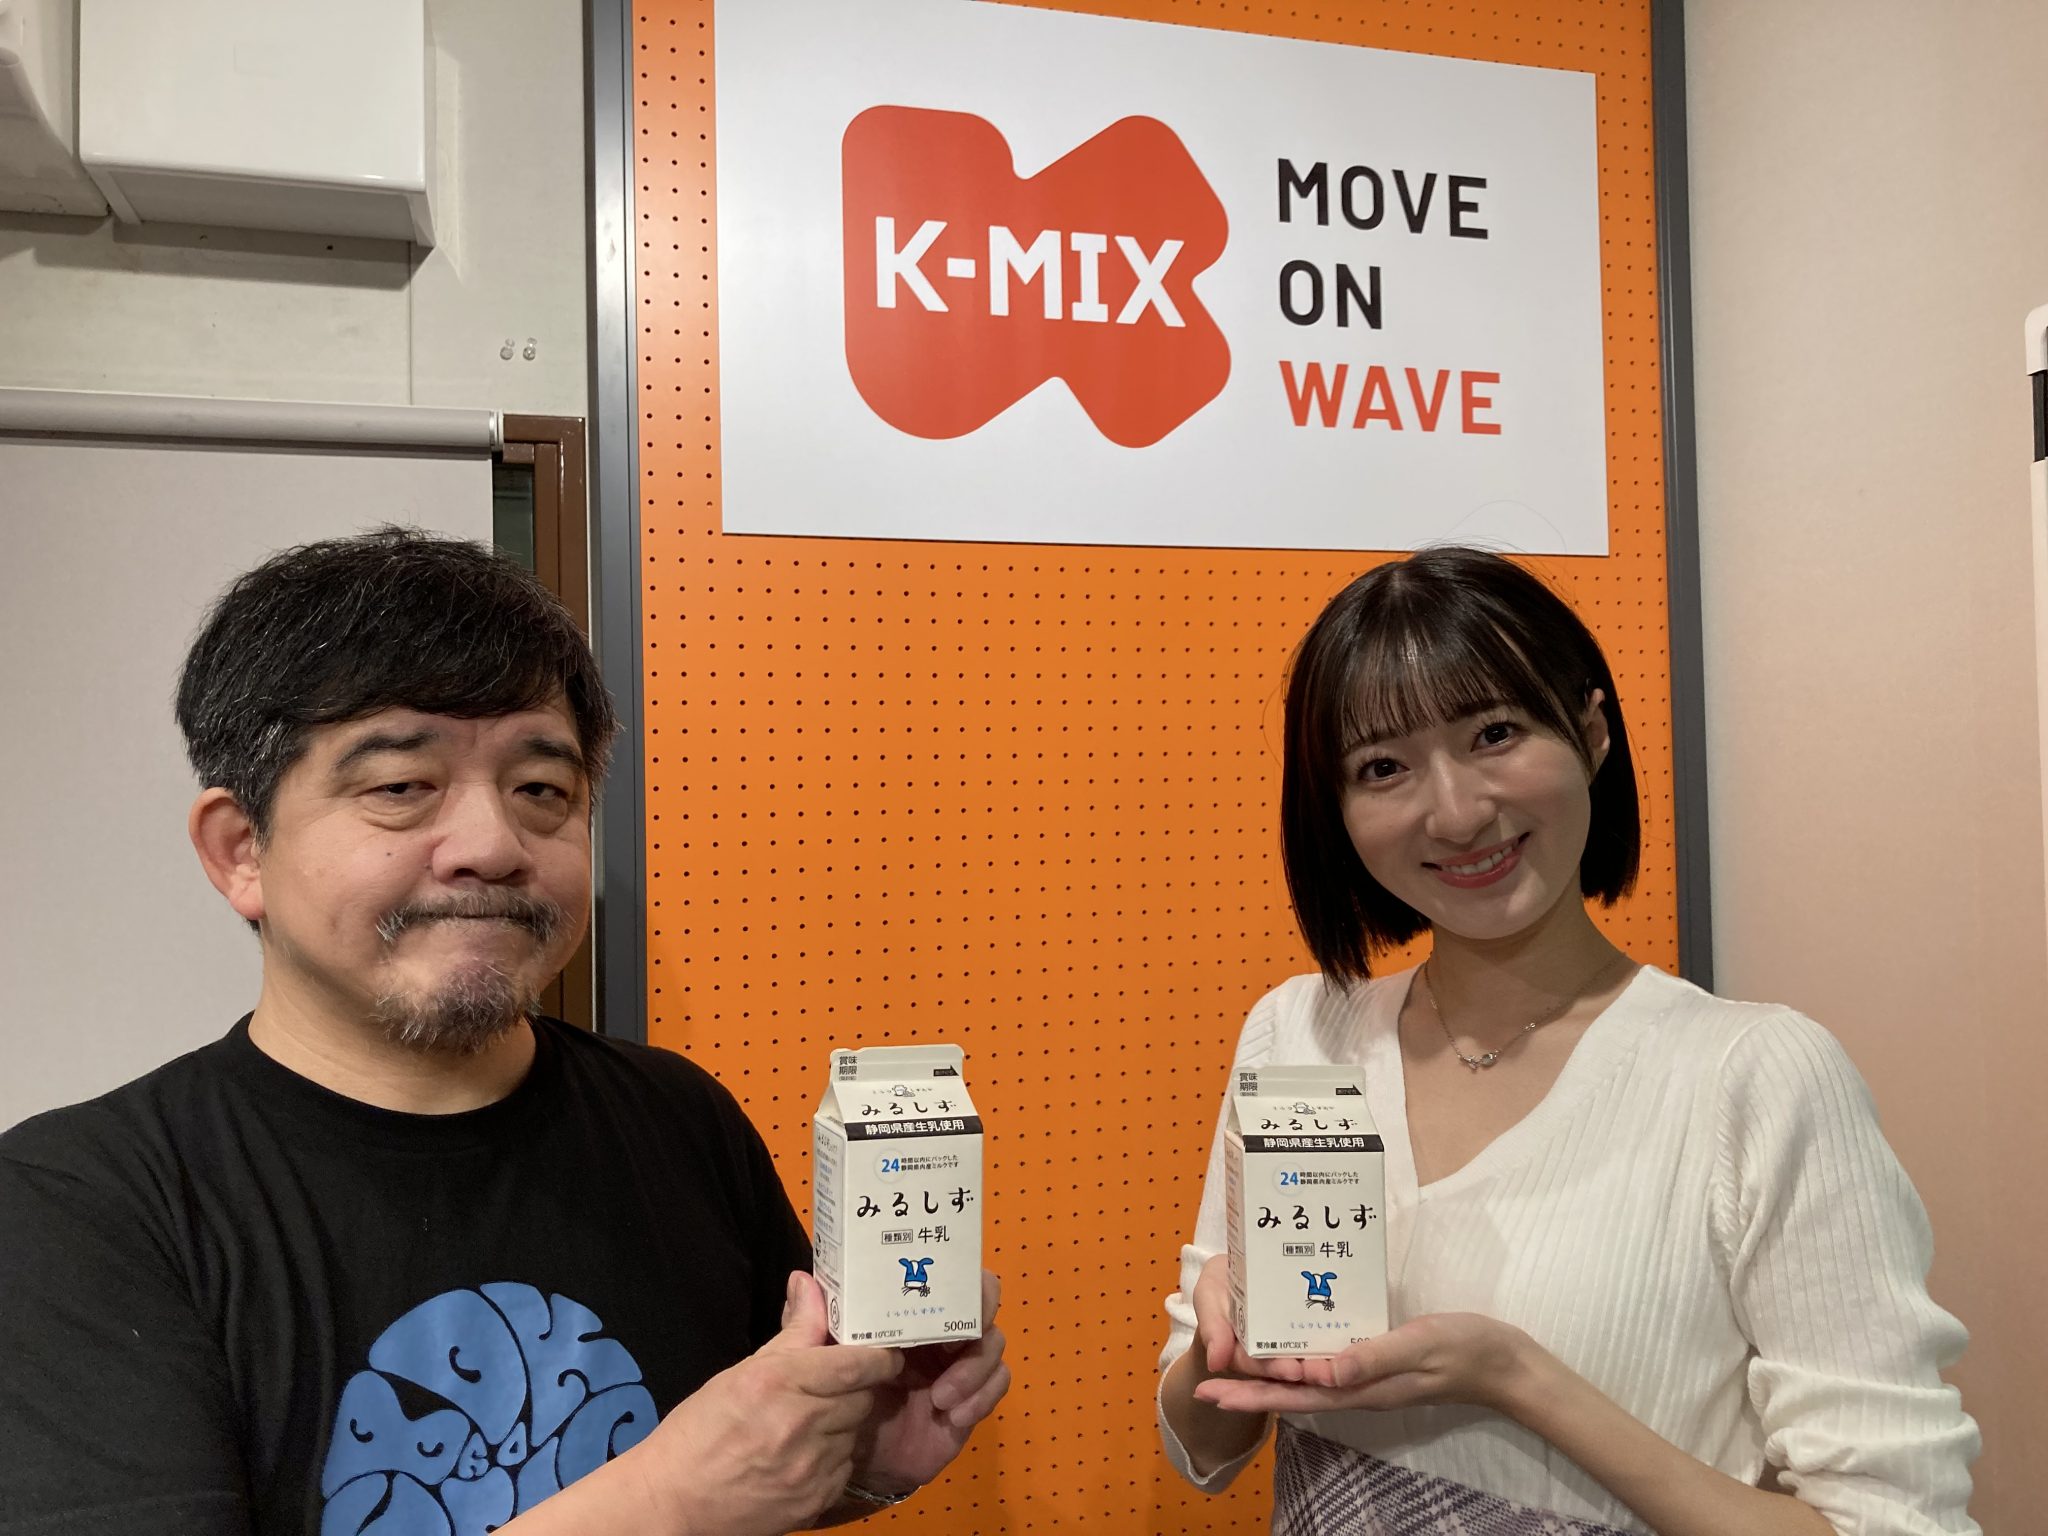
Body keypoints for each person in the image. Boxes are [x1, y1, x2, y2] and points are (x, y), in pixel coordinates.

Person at [0, 528, 1009, 1536]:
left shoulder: (679, 1119)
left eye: (541, 792)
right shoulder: (78, 1207)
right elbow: (687, 1497)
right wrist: (662, 1502)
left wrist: (852, 1469)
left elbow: (740, 1482)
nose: (491, 845)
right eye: (401, 787)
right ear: (240, 851)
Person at [1156, 548, 1979, 1535]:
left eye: (1493, 733)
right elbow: (1204, 1446)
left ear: (1590, 732)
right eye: (1383, 768)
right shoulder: (1298, 1032)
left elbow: (1894, 1522)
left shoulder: (1756, 1076)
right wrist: (1220, 1341)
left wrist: (1511, 1375)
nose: (1456, 813)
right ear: (1337, 810)